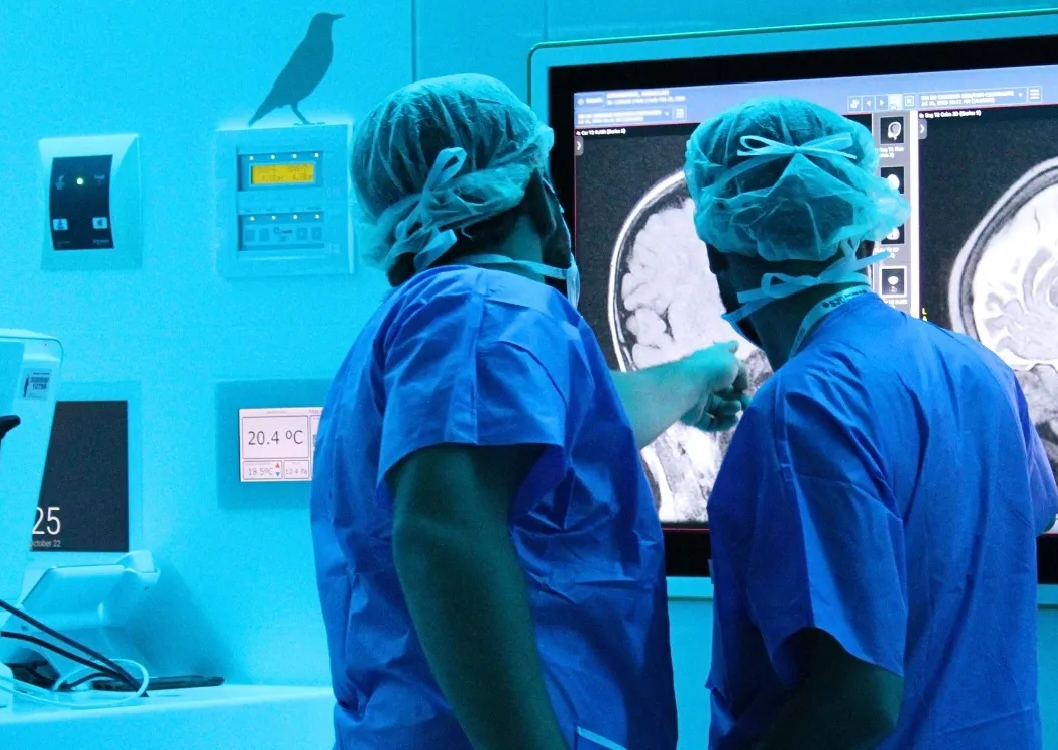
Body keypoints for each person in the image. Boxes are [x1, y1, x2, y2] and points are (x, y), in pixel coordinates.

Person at [309, 74, 747, 750]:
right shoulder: (486, 310)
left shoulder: (430, 322)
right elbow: (441, 531)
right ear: (537, 196)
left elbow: (567, 434)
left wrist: (699, 373)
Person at [686, 97, 1058, 749]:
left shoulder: (803, 405)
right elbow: (1026, 515)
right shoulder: (980, 369)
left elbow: (854, 702)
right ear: (863, 234)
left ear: (718, 251)